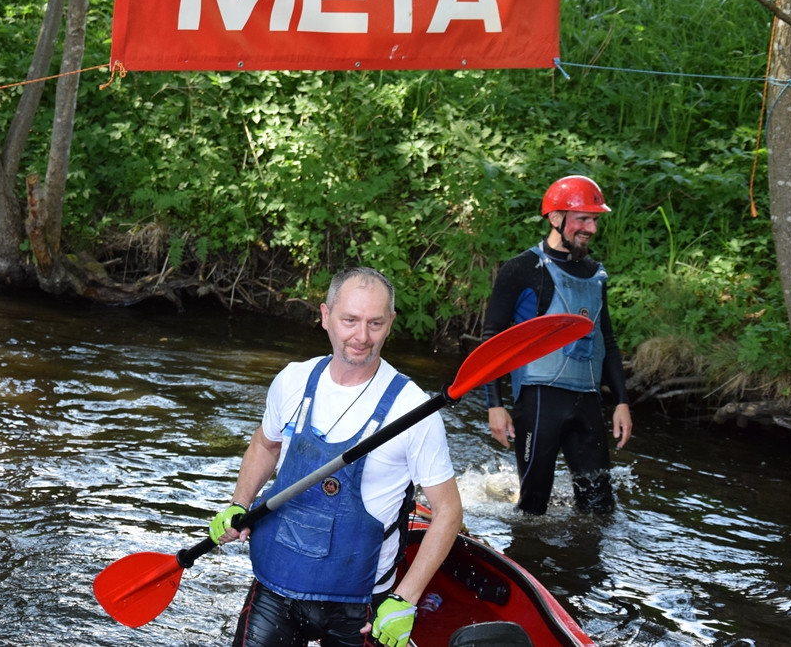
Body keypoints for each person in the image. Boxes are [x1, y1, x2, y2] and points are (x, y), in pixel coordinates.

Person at [209, 266, 462, 647]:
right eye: (350, 320)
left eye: (375, 323)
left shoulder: (413, 411)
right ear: (326, 316)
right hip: (277, 583)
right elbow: (265, 444)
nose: (362, 336)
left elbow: (448, 512)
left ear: (391, 323)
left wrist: (405, 599)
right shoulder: (293, 381)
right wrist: (238, 503)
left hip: (359, 604)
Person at [481, 175, 632, 515]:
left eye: (594, 219)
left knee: (600, 510)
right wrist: (495, 404)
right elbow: (492, 339)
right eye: (583, 218)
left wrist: (621, 402)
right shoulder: (521, 269)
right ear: (555, 218)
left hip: (588, 403)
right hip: (538, 401)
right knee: (534, 509)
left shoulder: (597, 274)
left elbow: (606, 340)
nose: (591, 227)